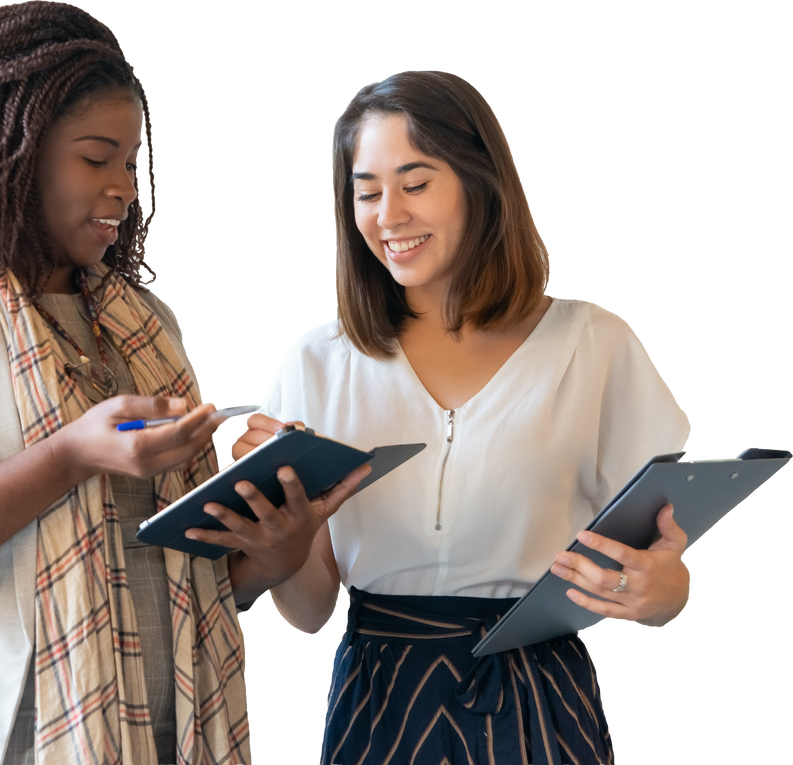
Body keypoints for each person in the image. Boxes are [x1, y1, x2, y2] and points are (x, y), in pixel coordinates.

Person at [0, 3, 370, 764]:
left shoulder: (140, 325)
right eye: (96, 158)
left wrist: (271, 551)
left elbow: (175, 576)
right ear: (10, 150)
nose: (123, 188)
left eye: (129, 162)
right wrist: (68, 457)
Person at [187, 70, 691, 764]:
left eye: (415, 183)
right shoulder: (318, 362)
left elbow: (663, 554)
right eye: (366, 191)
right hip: (378, 698)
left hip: (538, 693)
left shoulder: (597, 347)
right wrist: (283, 542)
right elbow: (308, 610)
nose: (387, 214)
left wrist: (666, 589)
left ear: (481, 183)